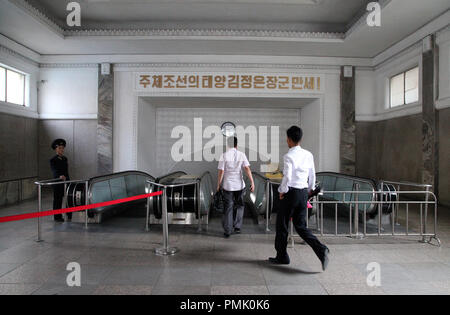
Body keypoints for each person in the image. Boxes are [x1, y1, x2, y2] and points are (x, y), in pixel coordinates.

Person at [269, 126, 330, 271]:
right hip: (303, 193)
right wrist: (308, 191)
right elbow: (312, 174)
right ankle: (321, 250)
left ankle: (282, 256)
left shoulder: (288, 156)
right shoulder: (308, 154)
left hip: (291, 193)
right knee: (301, 226)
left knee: (282, 225)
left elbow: (287, 176)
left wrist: (282, 191)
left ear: (289, 139)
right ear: (300, 139)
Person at [217, 136, 255, 238]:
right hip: (239, 186)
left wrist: (218, 184)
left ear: (227, 145)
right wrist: (252, 182)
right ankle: (237, 227)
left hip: (228, 186)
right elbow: (247, 169)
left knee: (228, 208)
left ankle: (227, 231)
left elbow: (221, 171)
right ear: (236, 145)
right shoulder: (241, 155)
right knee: (240, 205)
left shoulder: (224, 155)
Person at [50, 139, 71, 222]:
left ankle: (69, 214)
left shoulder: (65, 159)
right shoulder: (53, 160)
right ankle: (57, 217)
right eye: (59, 148)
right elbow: (54, 170)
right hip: (58, 182)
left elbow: (66, 171)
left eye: (62, 148)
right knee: (58, 200)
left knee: (68, 198)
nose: (61, 150)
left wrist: (68, 179)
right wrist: (59, 176)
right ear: (56, 149)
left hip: (66, 181)